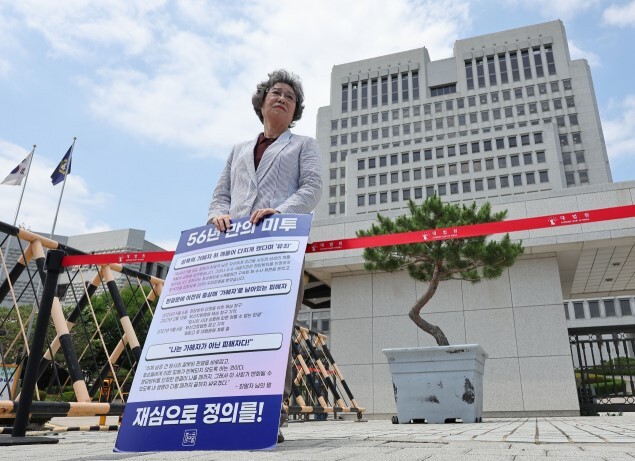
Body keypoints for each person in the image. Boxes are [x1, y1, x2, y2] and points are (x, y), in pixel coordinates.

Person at [208, 69, 323, 443]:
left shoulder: (303, 145)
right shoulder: (238, 150)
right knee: (230, 328)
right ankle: (221, 406)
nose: (283, 98)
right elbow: (221, 195)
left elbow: (312, 188)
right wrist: (217, 215)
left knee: (274, 330)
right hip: (235, 249)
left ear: (295, 111)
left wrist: (281, 211)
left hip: (279, 249)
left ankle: (270, 412)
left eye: (290, 97)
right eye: (276, 92)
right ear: (262, 102)